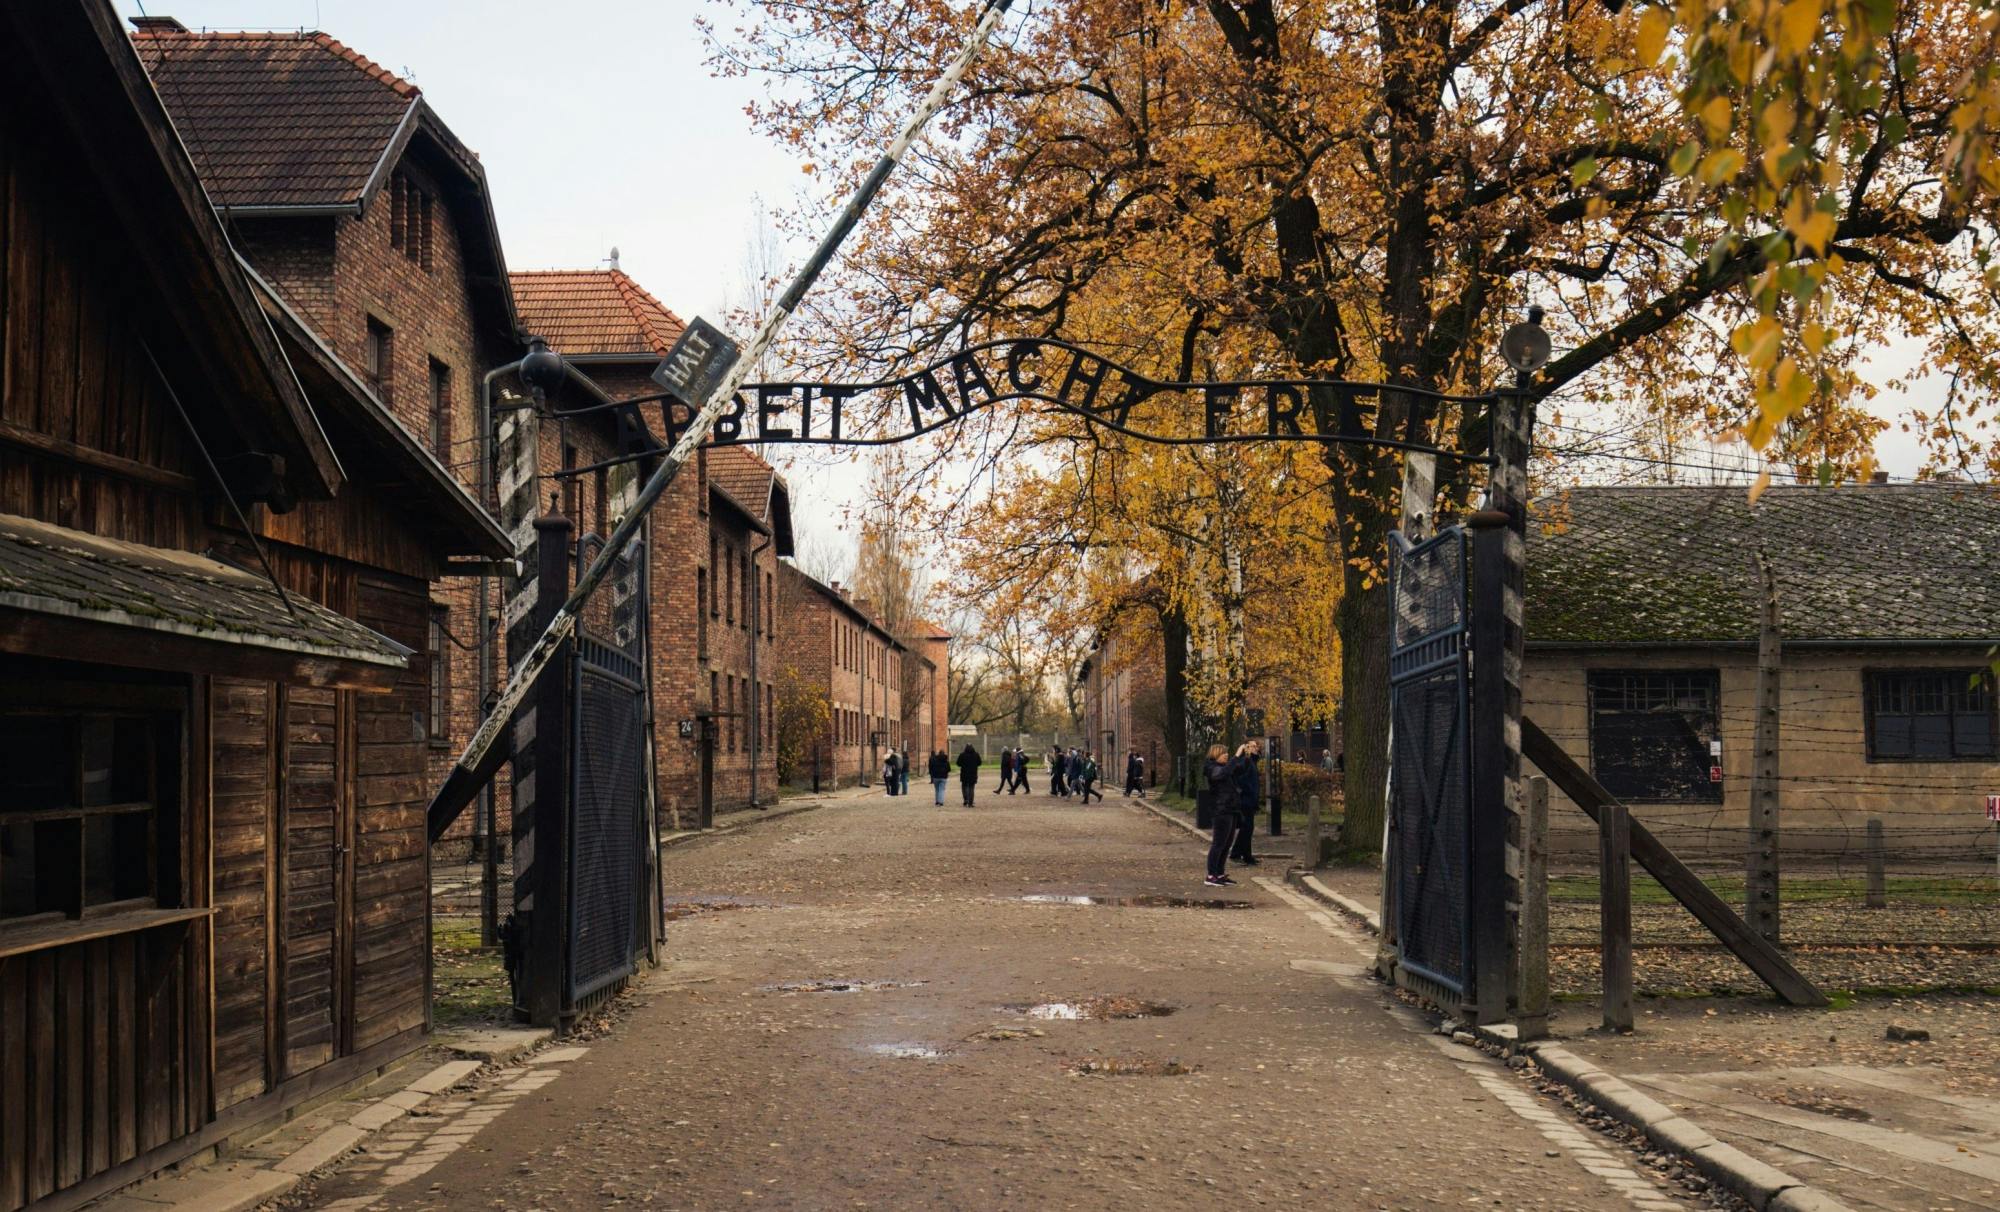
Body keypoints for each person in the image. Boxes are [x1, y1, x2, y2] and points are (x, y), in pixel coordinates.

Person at [1202, 743, 1238, 887]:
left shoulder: (1224, 768)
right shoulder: (1212, 768)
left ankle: (1220, 873)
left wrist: (1249, 757)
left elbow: (1237, 770)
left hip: (1230, 808)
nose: (1227, 756)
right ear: (1216, 754)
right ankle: (1211, 875)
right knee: (1218, 843)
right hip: (1221, 810)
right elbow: (1221, 775)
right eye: (1224, 754)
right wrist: (1236, 756)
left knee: (1227, 843)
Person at [1230, 739, 1263, 865]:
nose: (1255, 748)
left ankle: (1242, 854)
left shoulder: (1252, 761)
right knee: (1247, 828)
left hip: (1250, 799)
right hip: (1246, 800)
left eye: (1256, 746)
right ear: (1246, 748)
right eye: (1251, 746)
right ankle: (1241, 854)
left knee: (1247, 828)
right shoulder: (1246, 761)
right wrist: (1246, 790)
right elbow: (1240, 778)